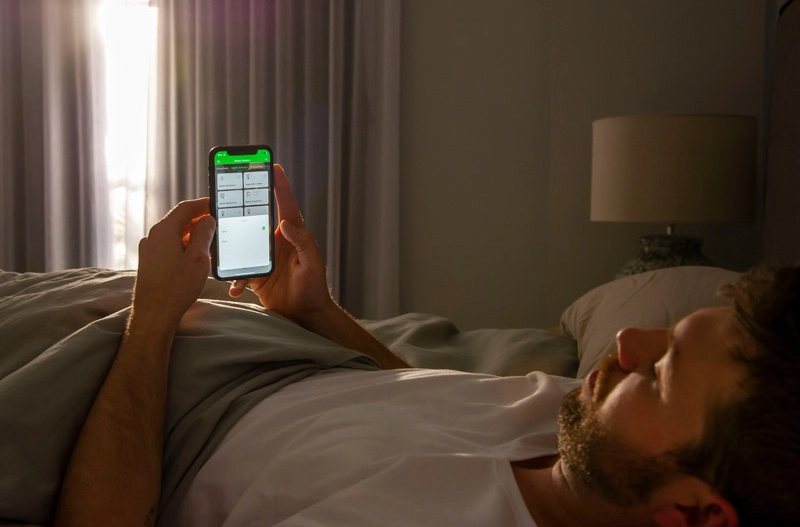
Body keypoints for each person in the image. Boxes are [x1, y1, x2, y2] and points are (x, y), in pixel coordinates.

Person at [53, 164, 799, 527]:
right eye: (667, 334)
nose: (631, 340)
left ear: (695, 514)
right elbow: (426, 409)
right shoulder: (587, 426)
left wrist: (151, 319)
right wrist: (318, 314)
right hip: (266, 349)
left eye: (663, 374)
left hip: (143, 409)